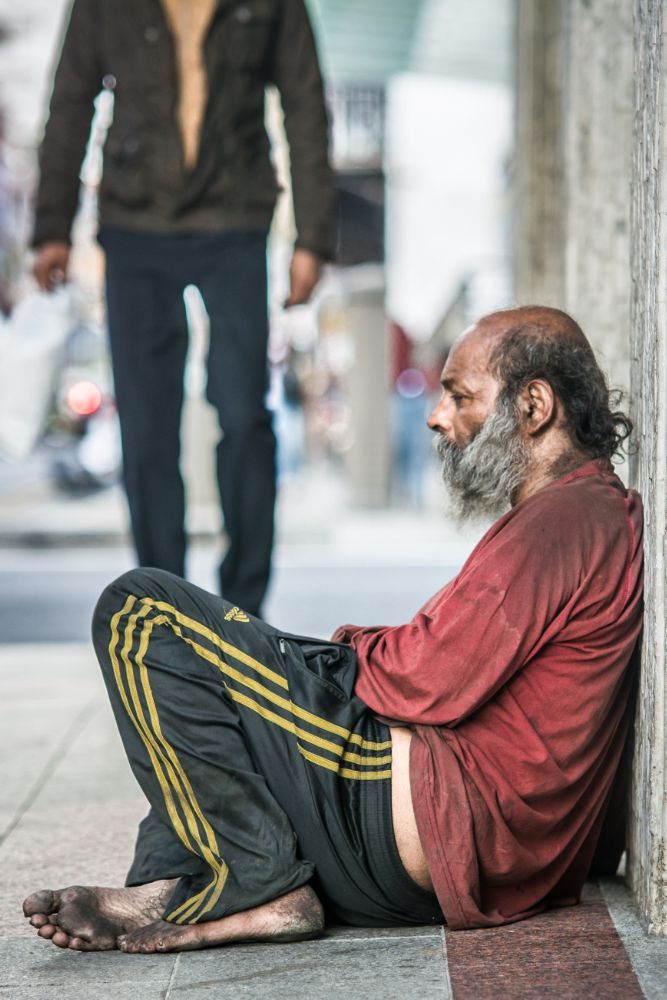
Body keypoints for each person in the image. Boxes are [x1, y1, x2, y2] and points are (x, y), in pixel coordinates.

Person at [23, 305, 643, 952]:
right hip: (444, 837)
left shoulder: (563, 520)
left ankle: (258, 883)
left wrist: (336, 650)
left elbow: (426, 679)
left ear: (533, 405)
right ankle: (175, 884)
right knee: (217, 705)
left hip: (426, 822)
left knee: (140, 609)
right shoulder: (585, 513)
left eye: (459, 396)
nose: (437, 417)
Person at [32, 0, 335, 617]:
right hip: (135, 221)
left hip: (235, 219)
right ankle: (165, 608)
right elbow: (70, 99)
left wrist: (313, 239)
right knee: (146, 424)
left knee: (245, 414)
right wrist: (51, 226)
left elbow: (306, 103)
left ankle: (243, 609)